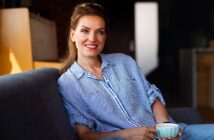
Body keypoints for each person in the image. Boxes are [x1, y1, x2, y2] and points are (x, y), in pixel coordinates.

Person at [57, 2, 214, 140]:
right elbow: (84, 135)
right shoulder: (68, 83)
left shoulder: (124, 61)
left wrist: (165, 127)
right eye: (85, 30)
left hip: (172, 135)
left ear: (105, 36)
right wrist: (130, 135)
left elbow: (152, 97)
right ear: (72, 34)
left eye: (100, 31)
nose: (92, 38)